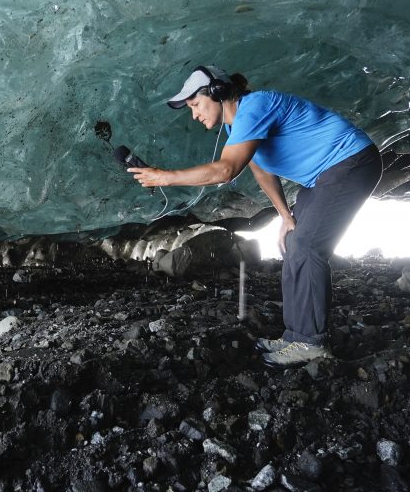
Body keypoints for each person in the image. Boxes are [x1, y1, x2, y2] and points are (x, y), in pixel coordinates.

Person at [128, 65, 382, 367]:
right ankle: (295, 337)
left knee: (308, 247)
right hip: (323, 177)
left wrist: (165, 178)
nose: (194, 115)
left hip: (350, 162)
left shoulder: (256, 106)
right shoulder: (240, 127)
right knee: (293, 242)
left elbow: (226, 170)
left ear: (218, 92)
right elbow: (262, 171)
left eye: (195, 104)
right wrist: (285, 216)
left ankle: (311, 343)